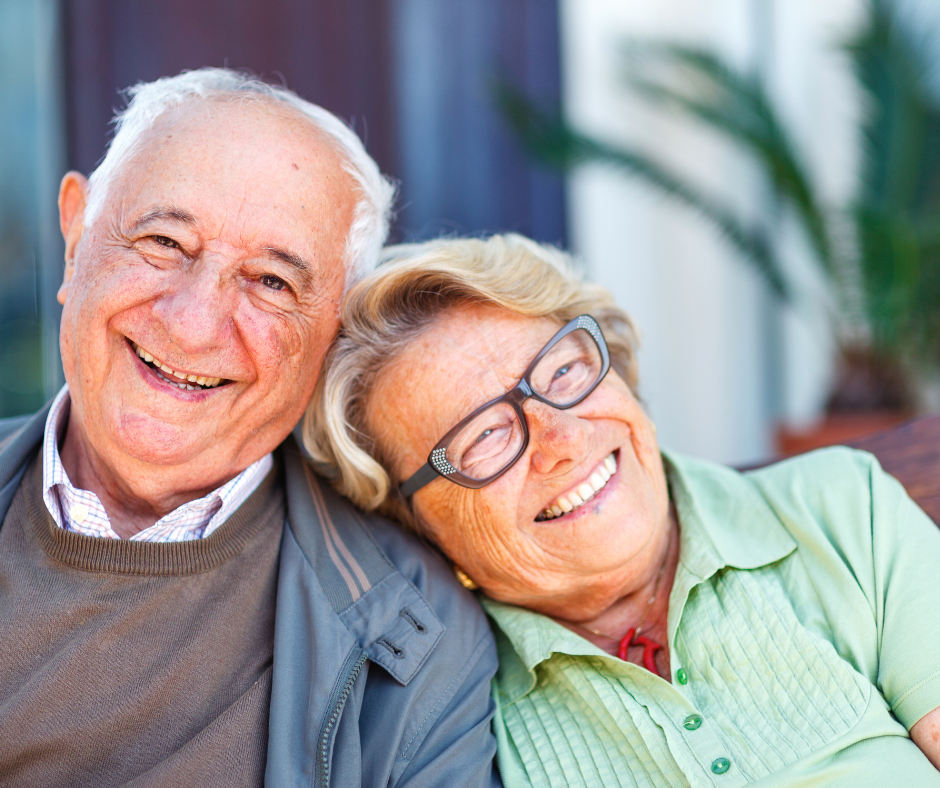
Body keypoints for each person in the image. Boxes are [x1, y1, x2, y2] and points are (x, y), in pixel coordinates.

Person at [0, 69, 500, 788]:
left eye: (272, 282)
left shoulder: (417, 639)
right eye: (164, 241)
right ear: (76, 238)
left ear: (334, 332)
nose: (193, 323)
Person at [305, 233, 940, 787]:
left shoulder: (842, 508)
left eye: (561, 372)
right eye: (484, 436)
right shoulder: (460, 717)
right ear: (418, 522)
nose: (563, 439)